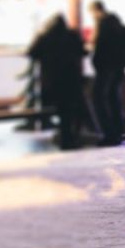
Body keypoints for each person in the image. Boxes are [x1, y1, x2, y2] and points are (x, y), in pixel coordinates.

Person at [28, 14, 86, 150]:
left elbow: (32, 53)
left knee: (61, 110)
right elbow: (83, 52)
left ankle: (64, 138)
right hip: (71, 79)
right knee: (70, 111)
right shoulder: (72, 36)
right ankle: (70, 138)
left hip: (52, 79)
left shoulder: (45, 37)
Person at [89, 0, 125, 147]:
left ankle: (109, 135)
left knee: (99, 100)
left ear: (95, 11)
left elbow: (101, 48)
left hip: (106, 69)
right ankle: (117, 134)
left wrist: (96, 62)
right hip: (118, 68)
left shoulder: (104, 24)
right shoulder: (117, 24)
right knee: (114, 99)